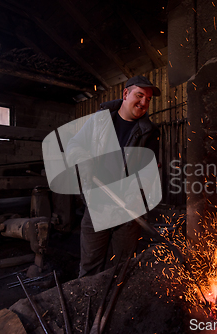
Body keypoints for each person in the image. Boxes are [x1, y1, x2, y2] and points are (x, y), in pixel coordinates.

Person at [69, 75, 161, 277]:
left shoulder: (150, 133)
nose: (144, 102)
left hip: (128, 213)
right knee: (90, 267)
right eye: (140, 95)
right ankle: (89, 304)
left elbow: (149, 173)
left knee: (121, 269)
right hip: (96, 207)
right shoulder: (98, 122)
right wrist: (83, 160)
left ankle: (116, 306)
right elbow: (74, 145)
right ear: (126, 94)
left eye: (148, 99)